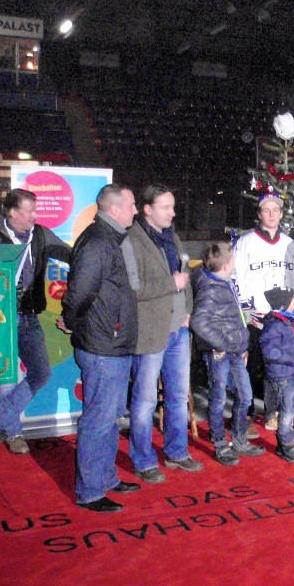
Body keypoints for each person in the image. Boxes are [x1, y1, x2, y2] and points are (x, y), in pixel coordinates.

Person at [60, 184, 140, 513]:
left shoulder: (110, 239)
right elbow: (78, 293)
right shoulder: (98, 242)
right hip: (103, 346)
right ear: (115, 208)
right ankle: (90, 490)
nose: (136, 210)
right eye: (132, 205)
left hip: (113, 345)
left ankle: (105, 477)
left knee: (109, 419)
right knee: (98, 420)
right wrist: (72, 319)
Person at [0, 188, 71, 457]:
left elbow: (68, 253)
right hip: (2, 318)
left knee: (41, 373)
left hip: (29, 316)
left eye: (35, 209)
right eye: (29, 210)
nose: (34, 215)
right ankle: (14, 433)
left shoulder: (40, 234)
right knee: (7, 378)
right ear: (12, 212)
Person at [126, 185, 201, 485]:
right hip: (150, 332)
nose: (173, 212)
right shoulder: (132, 240)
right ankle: (143, 460)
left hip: (178, 329)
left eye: (172, 206)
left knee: (178, 396)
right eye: (166, 207)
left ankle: (177, 451)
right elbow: (134, 290)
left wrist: (189, 310)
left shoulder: (171, 236)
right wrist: (173, 284)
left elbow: (186, 279)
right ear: (147, 209)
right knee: (144, 401)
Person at [233, 193, 294, 431]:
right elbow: (237, 277)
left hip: (281, 318)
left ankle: (274, 411)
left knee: (278, 366)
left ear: (281, 214)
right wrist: (244, 310)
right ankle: (248, 412)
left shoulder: (288, 243)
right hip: (255, 316)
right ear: (259, 214)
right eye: (266, 210)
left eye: (276, 210)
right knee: (252, 368)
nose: (271, 214)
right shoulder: (246, 242)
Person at [192, 242, 266, 466]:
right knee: (218, 398)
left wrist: (241, 344)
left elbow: (231, 317)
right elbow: (199, 321)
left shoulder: (222, 283)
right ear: (225, 265)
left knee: (245, 395)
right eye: (233, 260)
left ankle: (238, 436)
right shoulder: (212, 288)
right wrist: (222, 344)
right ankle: (219, 442)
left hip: (234, 351)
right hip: (221, 353)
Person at [259, 288, 294, 463]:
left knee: (292, 409)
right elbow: (269, 351)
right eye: (293, 297)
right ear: (284, 303)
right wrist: (292, 359)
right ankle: (286, 444)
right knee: (287, 411)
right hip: (283, 375)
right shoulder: (275, 325)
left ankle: (285, 444)